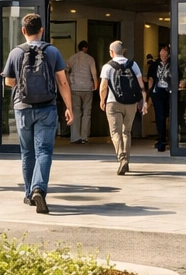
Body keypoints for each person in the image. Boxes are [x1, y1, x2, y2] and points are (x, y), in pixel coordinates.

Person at [3, 11, 72, 213]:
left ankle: (28, 194)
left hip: (23, 108)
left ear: (23, 31)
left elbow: (9, 81)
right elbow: (62, 81)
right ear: (41, 30)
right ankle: (39, 189)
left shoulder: (15, 53)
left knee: (27, 152)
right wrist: (69, 107)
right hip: (47, 108)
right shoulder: (53, 52)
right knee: (44, 151)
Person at [99, 40, 147, 175]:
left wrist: (102, 100)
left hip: (113, 103)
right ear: (122, 51)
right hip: (131, 103)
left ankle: (121, 158)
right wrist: (142, 100)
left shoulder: (107, 67)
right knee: (127, 132)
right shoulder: (133, 64)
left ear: (111, 52)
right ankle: (127, 161)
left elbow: (103, 86)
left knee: (115, 132)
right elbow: (140, 84)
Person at [66, 40, 98, 144]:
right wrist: (96, 85)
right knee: (87, 113)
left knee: (76, 112)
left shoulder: (72, 58)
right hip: (87, 88)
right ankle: (84, 137)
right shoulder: (90, 59)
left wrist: (69, 83)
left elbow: (66, 69)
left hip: (75, 88)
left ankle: (75, 137)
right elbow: (94, 74)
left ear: (78, 48)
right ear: (86, 48)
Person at [150, 44, 173, 151]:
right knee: (160, 116)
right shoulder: (154, 65)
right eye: (161, 52)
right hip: (157, 92)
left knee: (170, 115)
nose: (163, 54)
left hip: (169, 92)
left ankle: (171, 138)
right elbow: (150, 79)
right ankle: (162, 139)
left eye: (165, 52)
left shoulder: (172, 64)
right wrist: (149, 94)